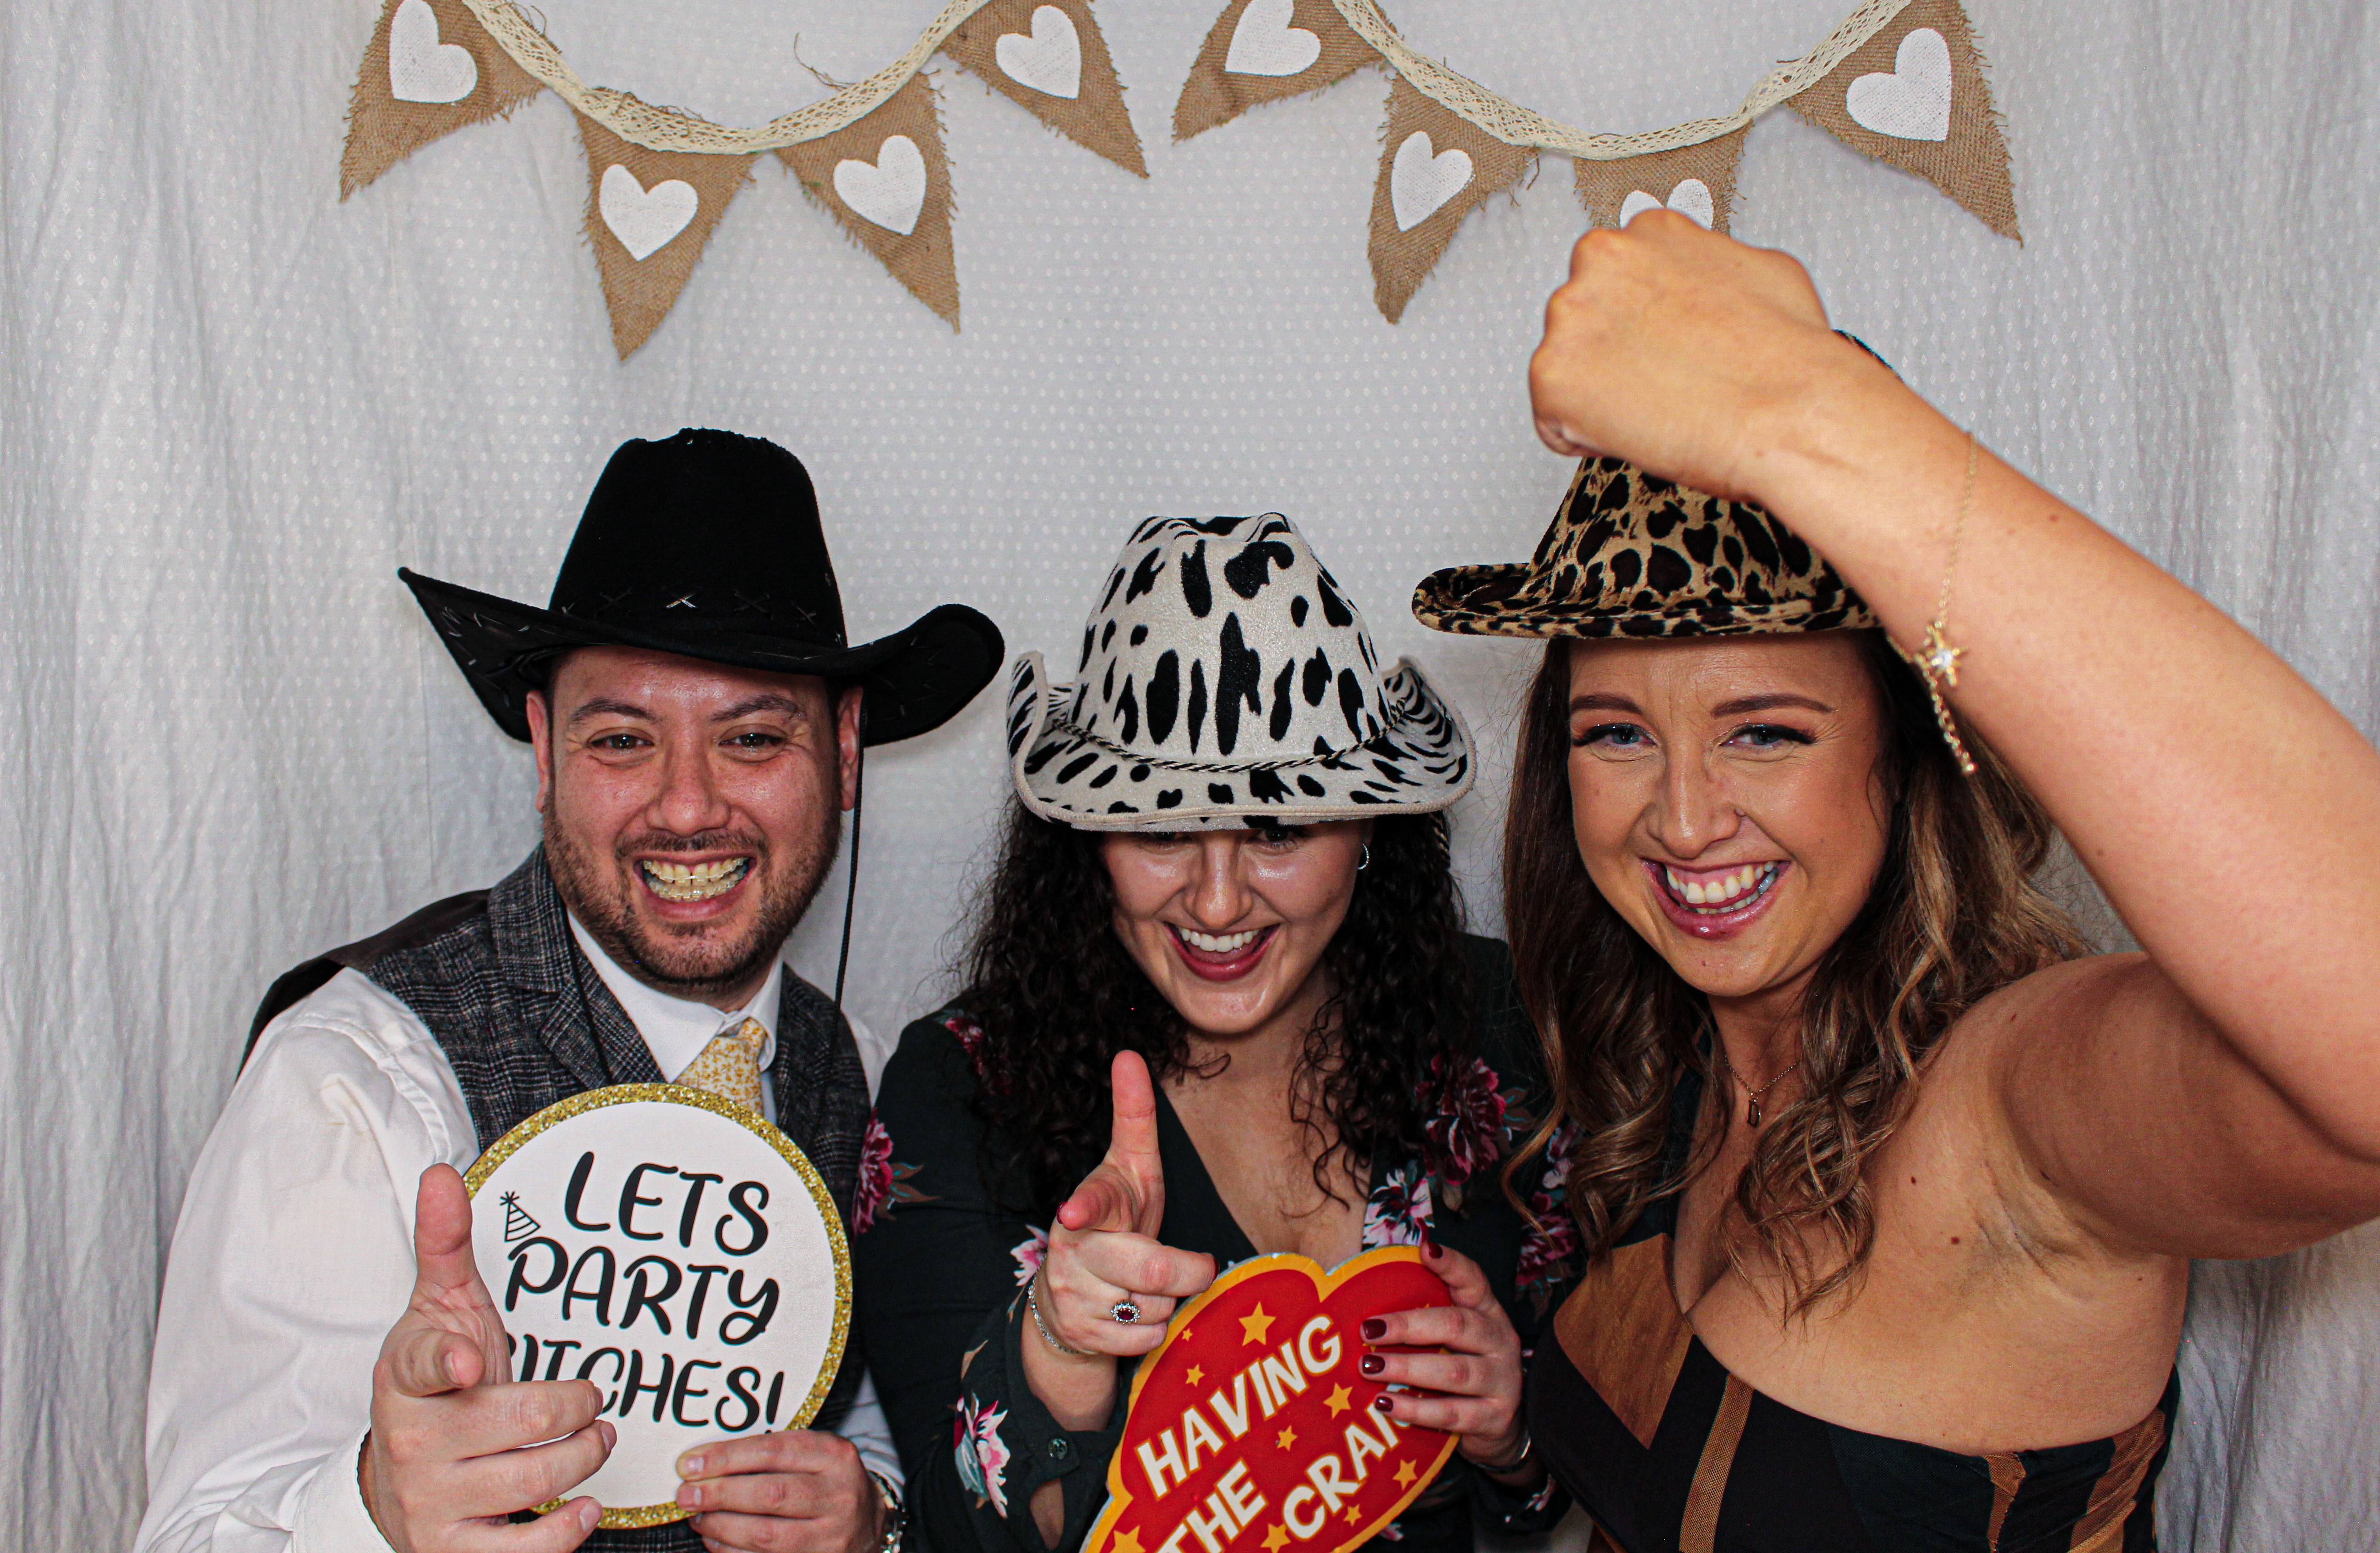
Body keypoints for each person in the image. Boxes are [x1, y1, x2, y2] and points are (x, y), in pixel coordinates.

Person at [1408, 211, 2380, 1551]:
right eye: (1618, 733)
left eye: (1766, 730)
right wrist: (1521, 1427)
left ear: (1910, 754)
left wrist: (1808, 411)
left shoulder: (2009, 1104)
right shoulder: (1660, 1064)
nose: (1685, 820)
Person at [137, 430, 1004, 1553]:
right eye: (623, 738)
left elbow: (896, 1442)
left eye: (750, 737)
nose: (688, 808)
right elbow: (198, 1531)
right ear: (543, 749)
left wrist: (869, 1520)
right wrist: (373, 1515)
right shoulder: (355, 1082)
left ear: (844, 753)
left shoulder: (877, 1078)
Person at [851, 513, 1578, 1553]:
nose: (1223, 899)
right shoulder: (965, 1088)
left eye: (1280, 829)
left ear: (1372, 829)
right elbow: (940, 1534)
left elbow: (1606, 1474)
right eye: (1161, 829)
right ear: (1085, 841)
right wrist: (1058, 1345)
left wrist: (1511, 1437)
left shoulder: (1509, 1034)